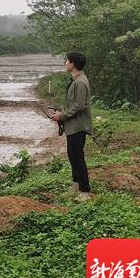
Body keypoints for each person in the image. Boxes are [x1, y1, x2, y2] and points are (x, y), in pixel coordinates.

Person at [50, 51, 93, 201]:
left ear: (73, 64)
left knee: (78, 158)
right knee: (73, 156)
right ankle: (76, 185)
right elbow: (73, 105)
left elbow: (79, 106)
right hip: (72, 126)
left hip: (77, 127)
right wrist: (62, 113)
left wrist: (61, 116)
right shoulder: (76, 80)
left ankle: (85, 191)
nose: (65, 63)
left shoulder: (80, 82)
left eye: (67, 61)